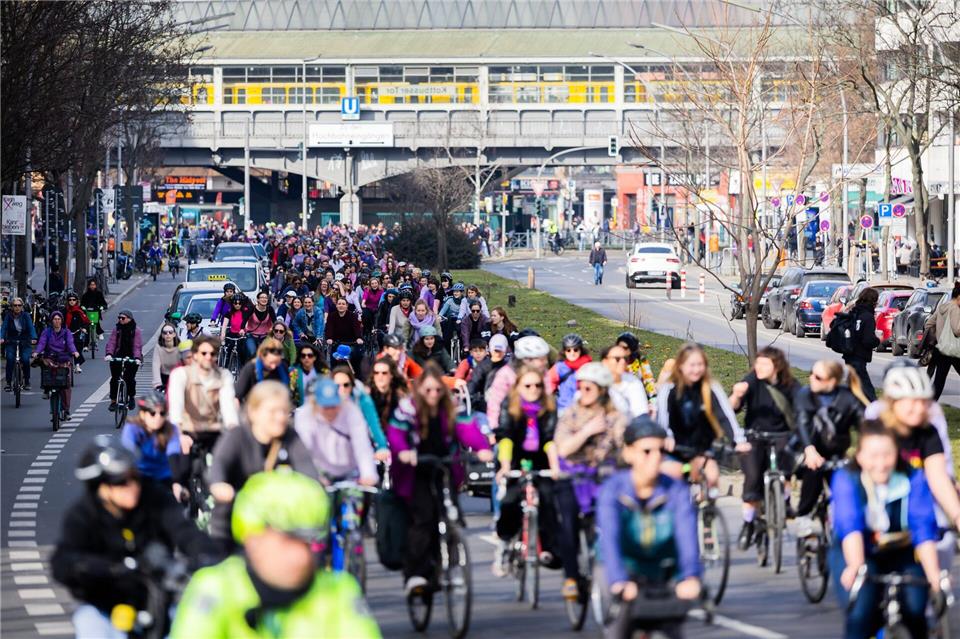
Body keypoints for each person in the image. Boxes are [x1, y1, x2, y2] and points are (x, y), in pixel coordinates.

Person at [170, 471, 382, 639]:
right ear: (253, 537)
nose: (302, 556)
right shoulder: (215, 589)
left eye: (312, 541)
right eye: (290, 539)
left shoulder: (339, 591)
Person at [52, 436, 220, 639]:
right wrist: (105, 568)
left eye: (134, 477)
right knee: (92, 630)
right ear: (101, 487)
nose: (132, 486)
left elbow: (185, 532)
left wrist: (210, 556)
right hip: (103, 607)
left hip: (158, 600)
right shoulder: (82, 515)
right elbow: (63, 560)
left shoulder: (155, 498)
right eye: (120, 482)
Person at [829, 420, 942, 639]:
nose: (880, 464)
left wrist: (934, 574)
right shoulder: (847, 479)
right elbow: (850, 524)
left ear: (898, 453)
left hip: (900, 551)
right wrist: (855, 565)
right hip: (860, 551)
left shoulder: (913, 477)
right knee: (862, 613)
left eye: (887, 455)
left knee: (917, 610)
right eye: (873, 456)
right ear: (860, 456)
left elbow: (923, 528)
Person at [386, 363, 493, 594]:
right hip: (416, 469)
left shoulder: (452, 406)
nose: (433, 395)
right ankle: (415, 574)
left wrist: (482, 448)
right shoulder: (408, 408)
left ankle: (451, 556)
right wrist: (404, 451)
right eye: (429, 390)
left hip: (445, 466)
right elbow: (396, 433)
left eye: (438, 390)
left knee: (450, 512)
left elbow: (467, 428)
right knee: (423, 519)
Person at [597, 416, 701, 615]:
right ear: (628, 453)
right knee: (621, 623)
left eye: (661, 451)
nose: (655, 458)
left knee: (673, 622)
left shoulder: (676, 489)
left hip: (661, 565)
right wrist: (619, 580)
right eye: (646, 451)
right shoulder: (612, 490)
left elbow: (686, 536)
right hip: (625, 565)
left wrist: (691, 576)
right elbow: (610, 538)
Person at [553, 361, 628, 600]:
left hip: (603, 477)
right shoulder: (571, 414)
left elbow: (626, 446)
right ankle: (572, 577)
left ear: (602, 390)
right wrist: (586, 431)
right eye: (581, 387)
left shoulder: (615, 415)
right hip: (573, 475)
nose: (582, 393)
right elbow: (563, 448)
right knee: (567, 526)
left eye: (588, 388)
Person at [208, 380, 317, 545]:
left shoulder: (290, 437)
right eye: (273, 411)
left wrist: (313, 488)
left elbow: (306, 466)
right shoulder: (237, 437)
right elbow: (219, 464)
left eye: (284, 411)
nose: (280, 417)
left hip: (279, 524)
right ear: (253, 412)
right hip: (234, 526)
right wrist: (219, 485)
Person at [655, 343, 746, 517]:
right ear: (681, 366)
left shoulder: (711, 388)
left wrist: (738, 441)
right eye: (692, 365)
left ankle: (706, 517)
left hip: (702, 447)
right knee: (671, 482)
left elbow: (725, 416)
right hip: (676, 447)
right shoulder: (669, 389)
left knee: (712, 479)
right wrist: (666, 437)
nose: (696, 370)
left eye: (700, 365)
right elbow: (663, 418)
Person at [492, 365, 560, 577]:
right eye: (527, 385)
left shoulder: (548, 407)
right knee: (510, 501)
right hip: (514, 459)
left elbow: (550, 440)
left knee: (549, 499)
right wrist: (505, 466)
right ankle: (504, 544)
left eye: (538, 385)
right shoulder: (509, 406)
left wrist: (555, 467)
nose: (533, 389)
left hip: (540, 460)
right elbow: (505, 438)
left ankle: (547, 547)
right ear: (518, 386)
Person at [728, 346, 799, 550]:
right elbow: (733, 407)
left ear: (776, 366)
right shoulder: (752, 380)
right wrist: (736, 395)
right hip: (755, 436)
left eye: (764, 364)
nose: (758, 367)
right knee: (752, 478)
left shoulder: (790, 385)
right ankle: (749, 523)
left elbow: (802, 405)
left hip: (782, 435)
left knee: (787, 462)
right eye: (757, 363)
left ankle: (784, 501)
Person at [792, 360, 868, 537]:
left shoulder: (847, 398)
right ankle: (803, 516)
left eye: (818, 377)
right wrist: (809, 450)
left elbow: (864, 424)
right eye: (811, 373)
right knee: (813, 473)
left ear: (832, 381)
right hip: (809, 449)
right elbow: (802, 423)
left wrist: (866, 451)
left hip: (836, 453)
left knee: (847, 487)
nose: (811, 378)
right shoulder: (805, 395)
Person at [294, 377, 379, 484]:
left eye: (333, 406)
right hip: (320, 470)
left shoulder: (351, 411)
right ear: (315, 403)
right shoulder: (305, 415)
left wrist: (368, 475)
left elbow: (362, 446)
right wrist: (312, 476)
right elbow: (304, 448)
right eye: (325, 407)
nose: (330, 411)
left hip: (350, 470)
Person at [120, 391, 185, 496]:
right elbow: (128, 453)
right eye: (152, 413)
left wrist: (177, 483)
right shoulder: (132, 428)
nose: (158, 418)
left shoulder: (171, 429)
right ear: (142, 414)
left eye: (162, 413)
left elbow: (173, 454)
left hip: (164, 478)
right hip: (140, 477)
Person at [486, 334, 551, 428]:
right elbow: (494, 405)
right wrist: (493, 429)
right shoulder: (505, 375)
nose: (545, 362)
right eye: (541, 359)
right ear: (527, 360)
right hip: (511, 425)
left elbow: (548, 398)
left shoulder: (544, 374)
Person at [331, 365, 391, 460]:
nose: (341, 389)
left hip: (360, 451)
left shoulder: (362, 400)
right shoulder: (325, 403)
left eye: (346, 385)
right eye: (337, 386)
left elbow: (374, 425)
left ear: (352, 385)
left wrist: (382, 447)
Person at [33, 310, 79, 417]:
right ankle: (45, 388)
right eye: (55, 319)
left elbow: (70, 343)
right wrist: (37, 352)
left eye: (59, 319)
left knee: (66, 384)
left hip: (63, 358)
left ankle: (66, 410)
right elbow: (42, 343)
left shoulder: (66, 332)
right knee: (45, 366)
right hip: (50, 357)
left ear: (61, 321)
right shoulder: (47, 332)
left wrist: (74, 352)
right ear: (51, 321)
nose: (57, 321)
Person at [842, 287, 881, 401]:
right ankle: (875, 408)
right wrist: (878, 340)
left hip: (848, 352)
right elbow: (868, 340)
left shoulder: (855, 312)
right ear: (873, 301)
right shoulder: (868, 317)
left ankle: (848, 405)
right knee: (867, 388)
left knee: (852, 384)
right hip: (859, 355)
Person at [924, 280, 960, 400]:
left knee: (938, 382)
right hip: (953, 350)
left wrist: (938, 337)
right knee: (939, 381)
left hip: (941, 349)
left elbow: (928, 324)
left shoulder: (942, 307)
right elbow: (957, 329)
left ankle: (930, 406)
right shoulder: (955, 309)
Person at [105, 310, 143, 412]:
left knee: (130, 379)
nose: (120, 320)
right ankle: (113, 401)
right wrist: (109, 354)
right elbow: (112, 342)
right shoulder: (117, 329)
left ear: (129, 319)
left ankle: (131, 397)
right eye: (119, 318)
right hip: (118, 356)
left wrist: (137, 358)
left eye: (123, 318)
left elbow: (137, 346)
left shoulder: (136, 330)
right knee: (114, 379)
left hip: (131, 358)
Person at [545, 333, 592, 414]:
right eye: (568, 350)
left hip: (585, 410)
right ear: (564, 351)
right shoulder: (559, 367)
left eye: (576, 350)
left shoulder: (588, 366)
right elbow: (548, 384)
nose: (572, 353)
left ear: (581, 350)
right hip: (564, 408)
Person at [235, 337, 290, 403]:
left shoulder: (283, 367)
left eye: (277, 363)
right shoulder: (250, 368)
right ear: (262, 356)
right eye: (271, 362)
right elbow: (237, 396)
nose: (273, 366)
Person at [601, 343, 649, 418]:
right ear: (605, 361)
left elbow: (641, 414)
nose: (623, 362)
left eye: (625, 359)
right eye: (617, 359)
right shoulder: (595, 381)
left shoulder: (634, 382)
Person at [1, 296, 37, 392]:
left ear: (22, 306)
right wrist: (1, 338)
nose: (17, 307)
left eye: (19, 305)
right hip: (11, 341)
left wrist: (33, 337)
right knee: (9, 358)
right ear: (12, 307)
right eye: (15, 305)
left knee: (25, 359)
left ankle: (27, 381)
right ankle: (8, 382)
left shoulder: (26, 316)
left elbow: (30, 327)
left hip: (24, 341)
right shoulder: (8, 316)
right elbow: (4, 328)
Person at [468, 333, 509, 416]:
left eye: (500, 351)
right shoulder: (483, 366)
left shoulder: (509, 367)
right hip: (486, 404)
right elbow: (473, 383)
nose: (497, 354)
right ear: (490, 350)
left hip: (506, 404)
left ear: (505, 351)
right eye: (495, 350)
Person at [368, 356, 409, 434]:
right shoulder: (366, 396)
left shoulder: (401, 398)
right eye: (376, 373)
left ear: (391, 375)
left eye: (384, 373)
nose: (380, 377)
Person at [242, 291, 277, 364]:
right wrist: (242, 329)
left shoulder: (270, 309)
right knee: (252, 353)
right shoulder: (252, 309)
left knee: (267, 354)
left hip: (265, 336)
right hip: (252, 335)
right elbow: (244, 320)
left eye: (266, 298)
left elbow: (275, 322)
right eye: (262, 297)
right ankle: (251, 370)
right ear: (258, 299)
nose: (264, 299)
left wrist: (276, 331)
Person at [290, 342, 323, 408]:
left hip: (319, 409)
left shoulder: (323, 372)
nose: (306, 358)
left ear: (315, 357)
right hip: (300, 409)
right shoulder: (294, 371)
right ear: (300, 358)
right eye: (303, 355)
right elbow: (291, 392)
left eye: (310, 355)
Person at [64, 292, 91, 371]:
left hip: (77, 332)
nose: (72, 301)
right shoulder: (64, 311)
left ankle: (77, 365)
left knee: (77, 348)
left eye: (74, 299)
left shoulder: (80, 311)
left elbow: (86, 322)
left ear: (77, 301)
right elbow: (59, 321)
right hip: (66, 333)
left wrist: (84, 328)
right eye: (70, 300)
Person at [151, 323, 181, 390]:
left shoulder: (180, 346)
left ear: (174, 334)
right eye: (165, 333)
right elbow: (156, 364)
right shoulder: (158, 347)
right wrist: (157, 383)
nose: (168, 334)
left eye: (170, 332)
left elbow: (183, 363)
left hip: (177, 376)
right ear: (162, 335)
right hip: (163, 376)